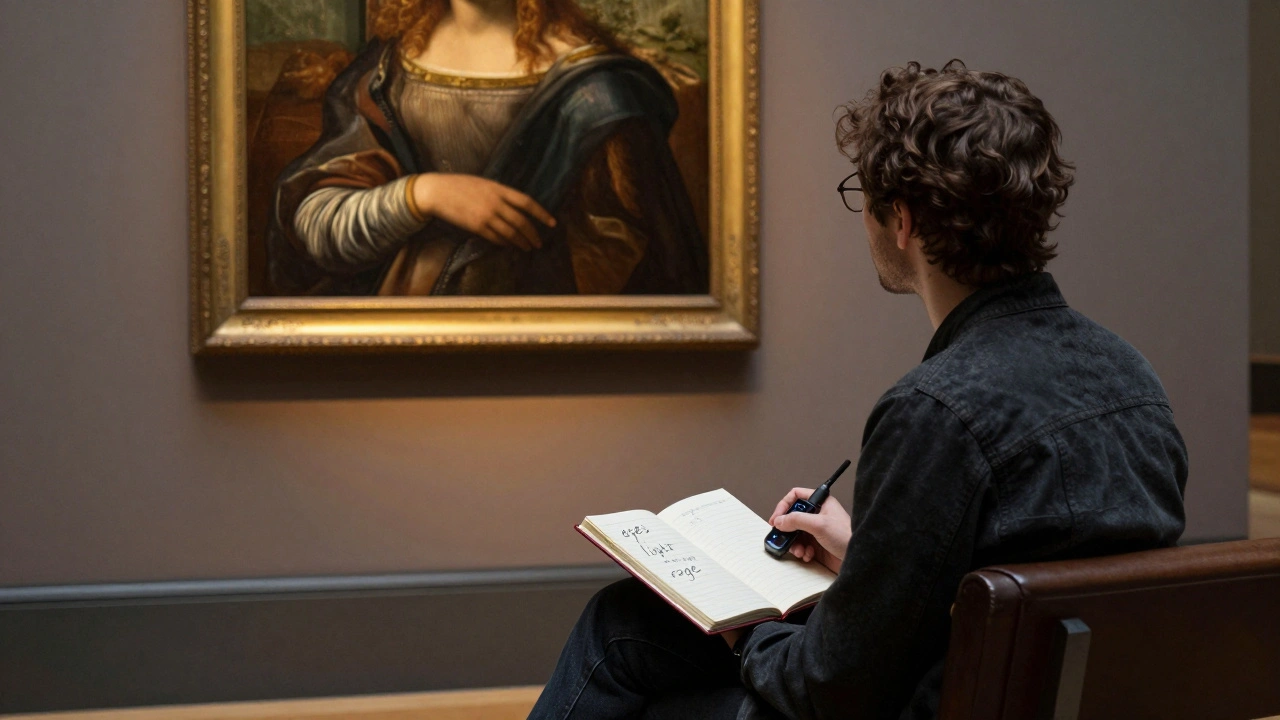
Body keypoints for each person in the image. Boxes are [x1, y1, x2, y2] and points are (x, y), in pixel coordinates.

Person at [527, 59, 1189, 720]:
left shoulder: (934, 411)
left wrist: (746, 628)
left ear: (900, 219)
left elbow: (830, 688)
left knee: (620, 631)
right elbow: (1029, 564)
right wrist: (865, 555)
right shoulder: (1133, 377)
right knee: (625, 622)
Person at [266, 0, 707, 296]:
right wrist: (423, 195)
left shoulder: (597, 91)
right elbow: (314, 227)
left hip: (541, 344)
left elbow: (646, 264)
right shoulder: (387, 70)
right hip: (401, 339)